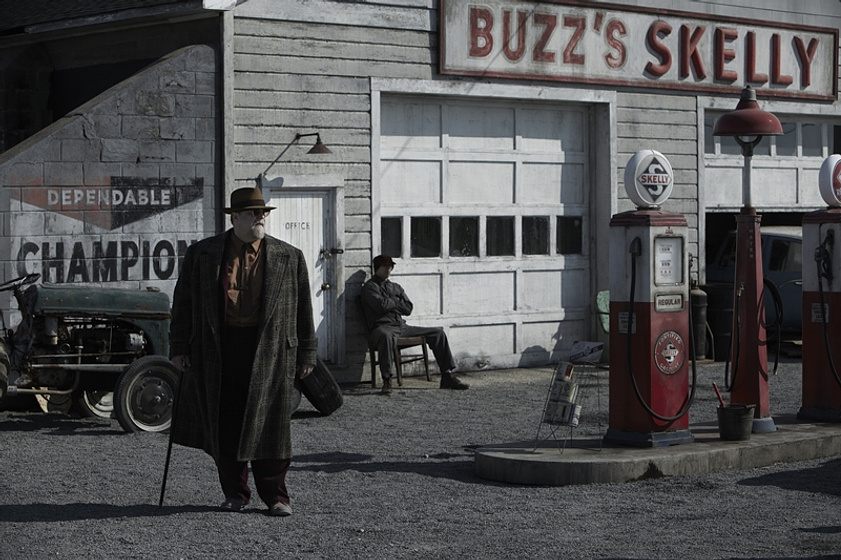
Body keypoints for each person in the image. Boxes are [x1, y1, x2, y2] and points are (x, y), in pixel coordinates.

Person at [169, 186, 317, 517]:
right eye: (254, 213)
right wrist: (178, 347)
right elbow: (183, 304)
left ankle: (277, 497)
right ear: (235, 217)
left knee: (272, 424)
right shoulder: (202, 254)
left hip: (271, 350)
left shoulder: (288, 256)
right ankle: (235, 493)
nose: (261, 217)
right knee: (226, 422)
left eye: (264, 212)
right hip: (218, 347)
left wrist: (307, 353)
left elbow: (304, 309)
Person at [361, 254, 468, 395]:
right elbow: (380, 306)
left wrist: (391, 302)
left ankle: (447, 376)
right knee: (386, 336)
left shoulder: (395, 286)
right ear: (377, 268)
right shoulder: (369, 287)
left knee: (437, 333)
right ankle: (387, 380)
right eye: (385, 266)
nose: (389, 269)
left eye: (391, 266)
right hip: (382, 327)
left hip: (401, 326)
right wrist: (396, 301)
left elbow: (408, 308)